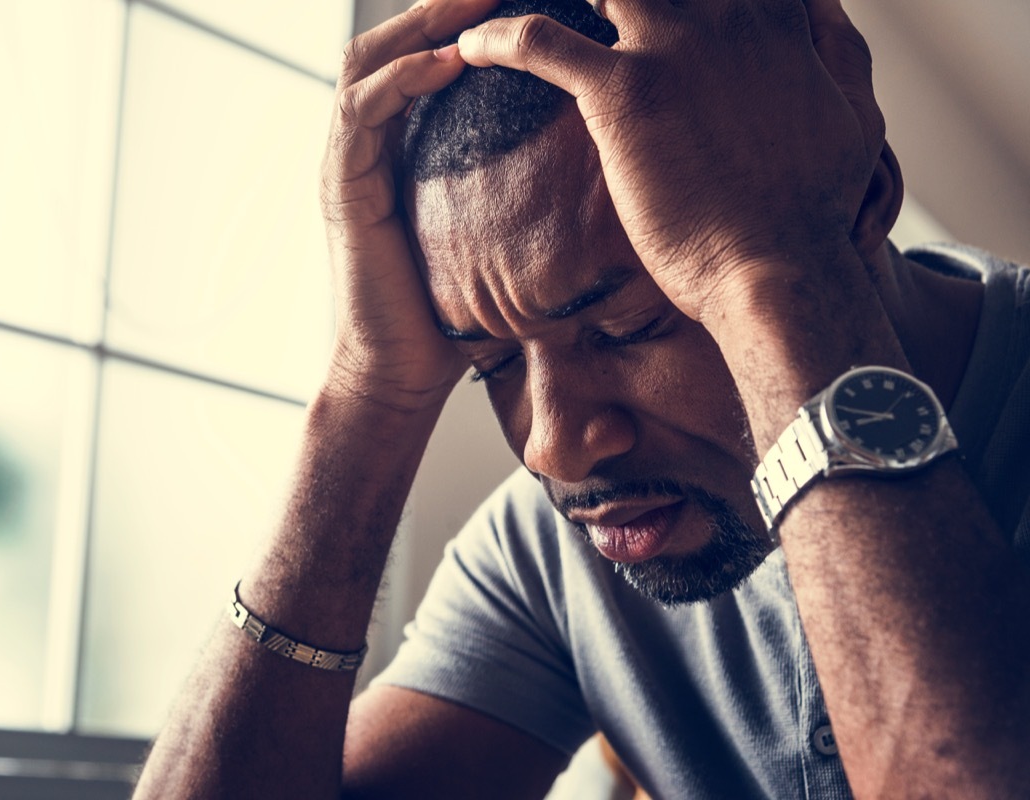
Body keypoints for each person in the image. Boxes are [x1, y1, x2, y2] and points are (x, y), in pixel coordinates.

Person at [134, 0, 1030, 797]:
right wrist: (367, 395)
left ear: (861, 198)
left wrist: (774, 269)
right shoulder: (545, 556)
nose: (553, 449)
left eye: (630, 328)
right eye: (492, 366)